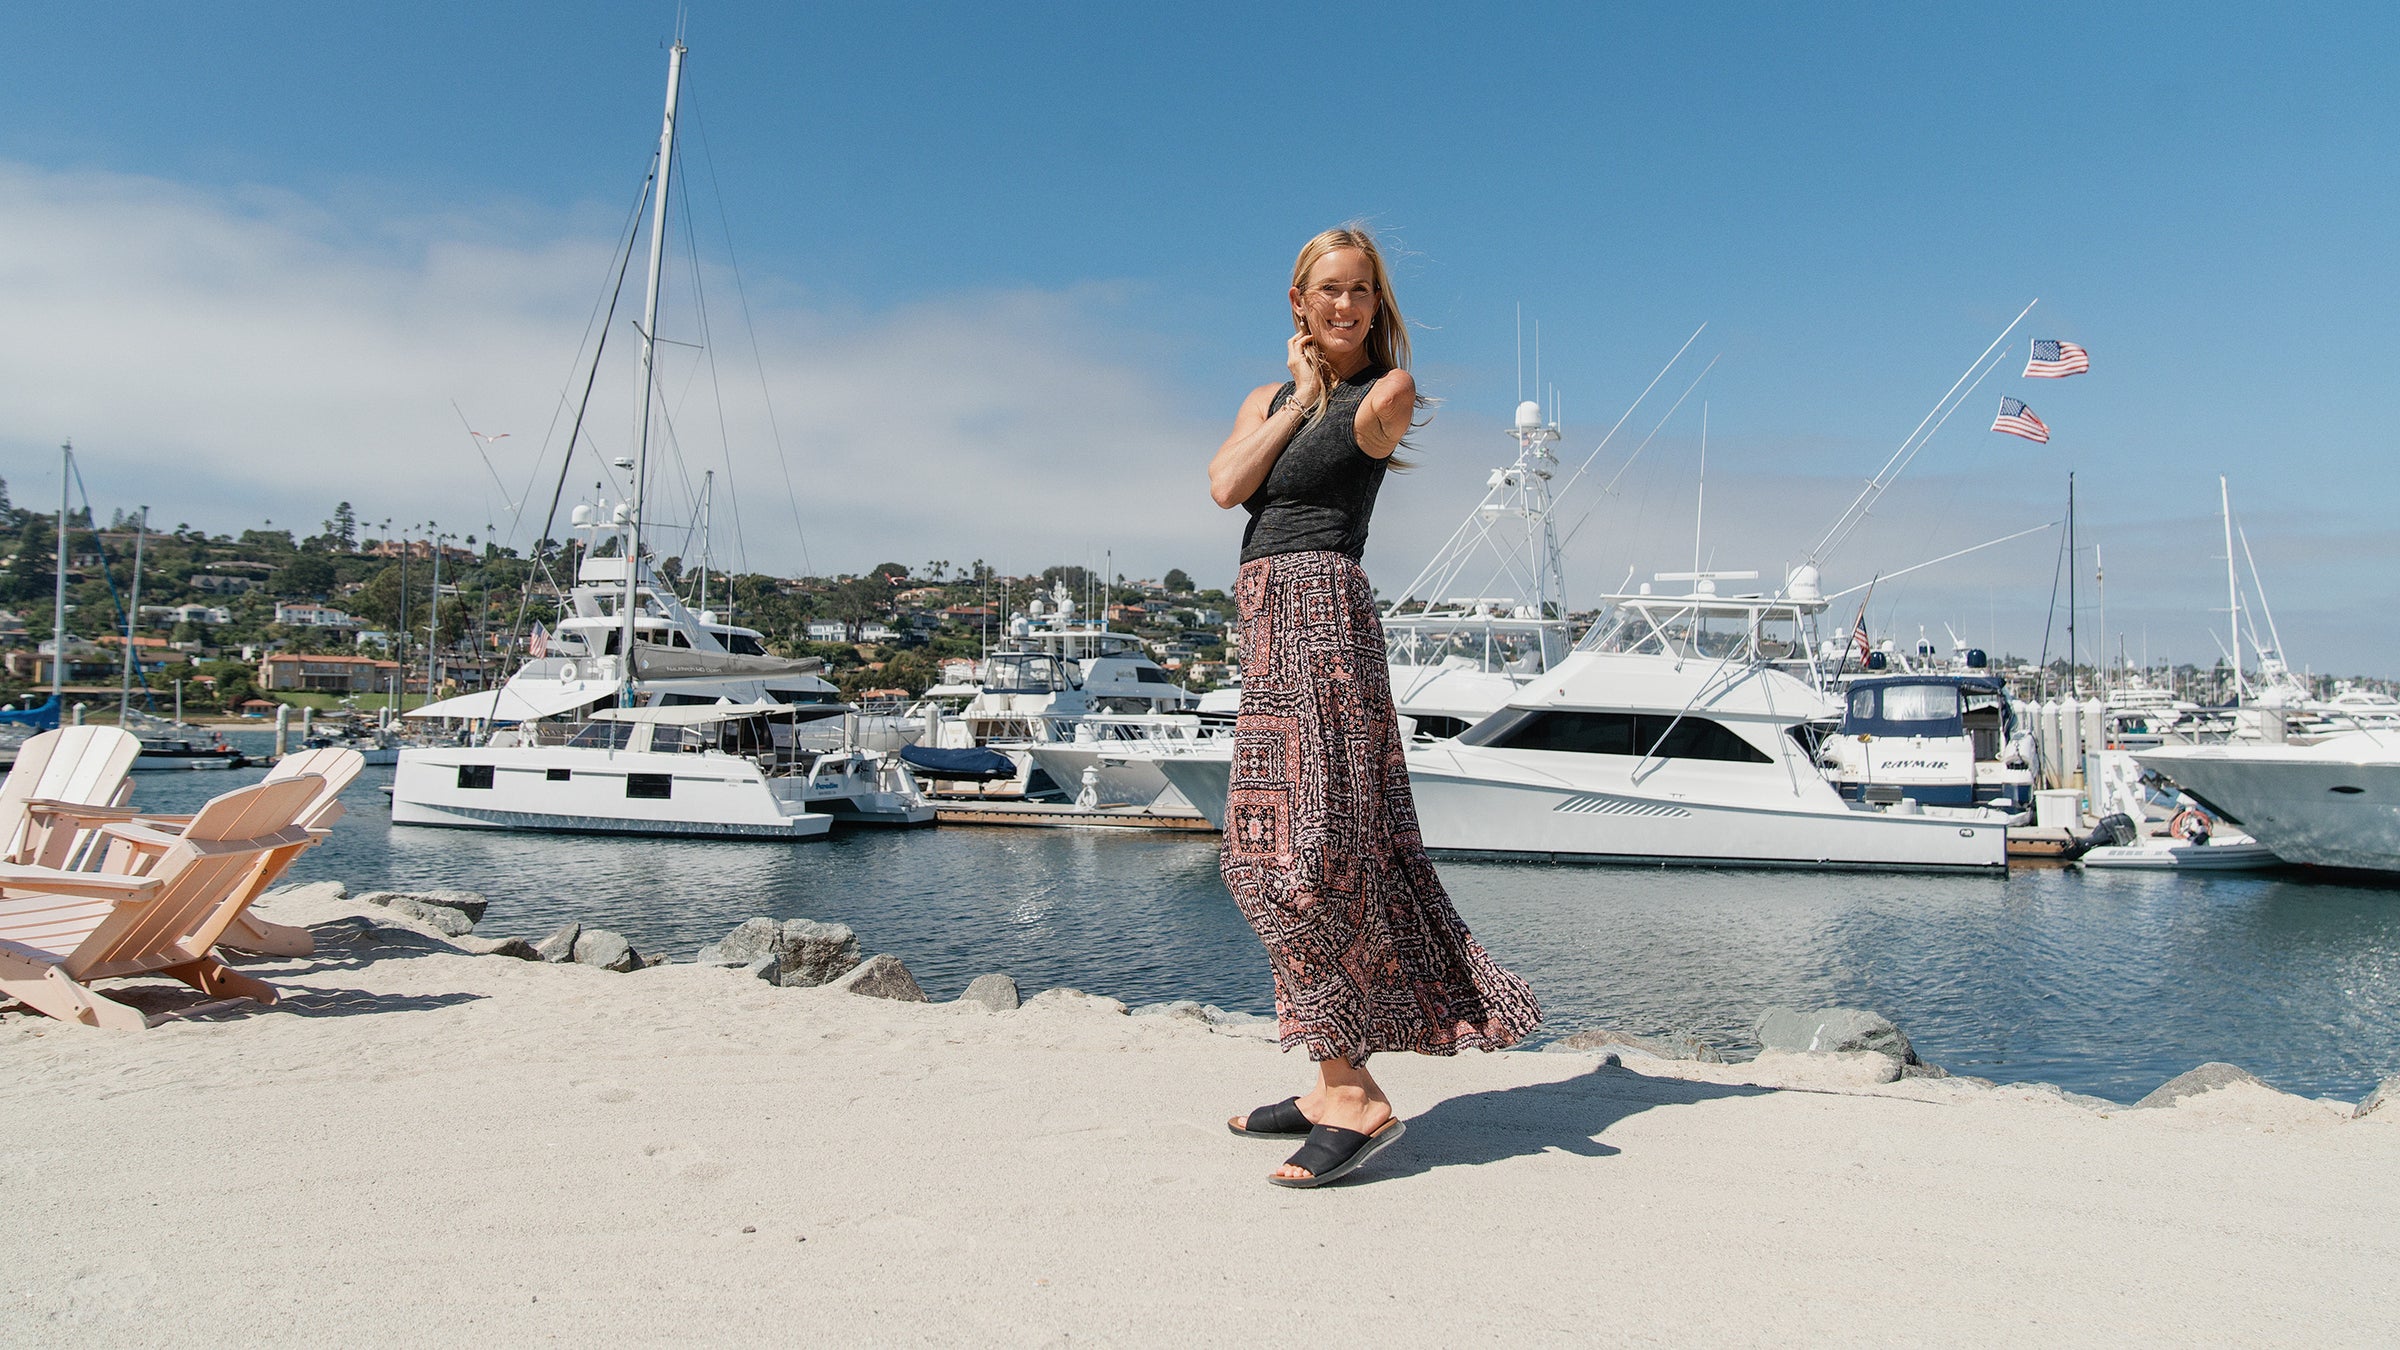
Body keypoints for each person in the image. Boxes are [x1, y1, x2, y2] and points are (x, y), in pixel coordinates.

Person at [1206, 225, 1542, 1188]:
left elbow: (1304, 470)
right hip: (1266, 620)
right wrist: (1295, 398)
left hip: (1322, 613)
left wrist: (1320, 395)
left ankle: (1353, 1088)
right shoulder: (1266, 398)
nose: (1346, 306)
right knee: (1259, 852)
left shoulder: (1386, 394)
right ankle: (1326, 1078)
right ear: (1299, 305)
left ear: (1377, 303)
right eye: (1328, 291)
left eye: (1361, 291)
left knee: (1310, 853)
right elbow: (1228, 485)